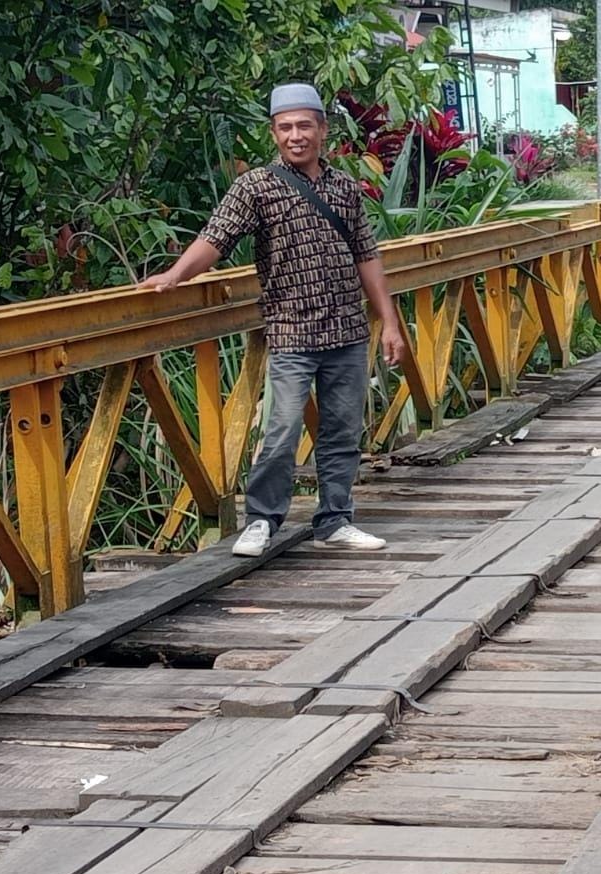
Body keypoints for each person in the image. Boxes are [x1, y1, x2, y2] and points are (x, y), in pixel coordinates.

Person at [144, 82, 407, 558]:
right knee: (282, 430)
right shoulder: (257, 186)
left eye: (305, 125)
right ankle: (262, 520)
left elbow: (367, 257)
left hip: (347, 328)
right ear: (274, 133)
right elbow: (216, 237)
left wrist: (388, 322)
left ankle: (336, 519)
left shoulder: (345, 188)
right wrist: (176, 275)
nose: (295, 135)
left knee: (343, 429)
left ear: (323, 130)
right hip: (291, 329)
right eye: (285, 127)